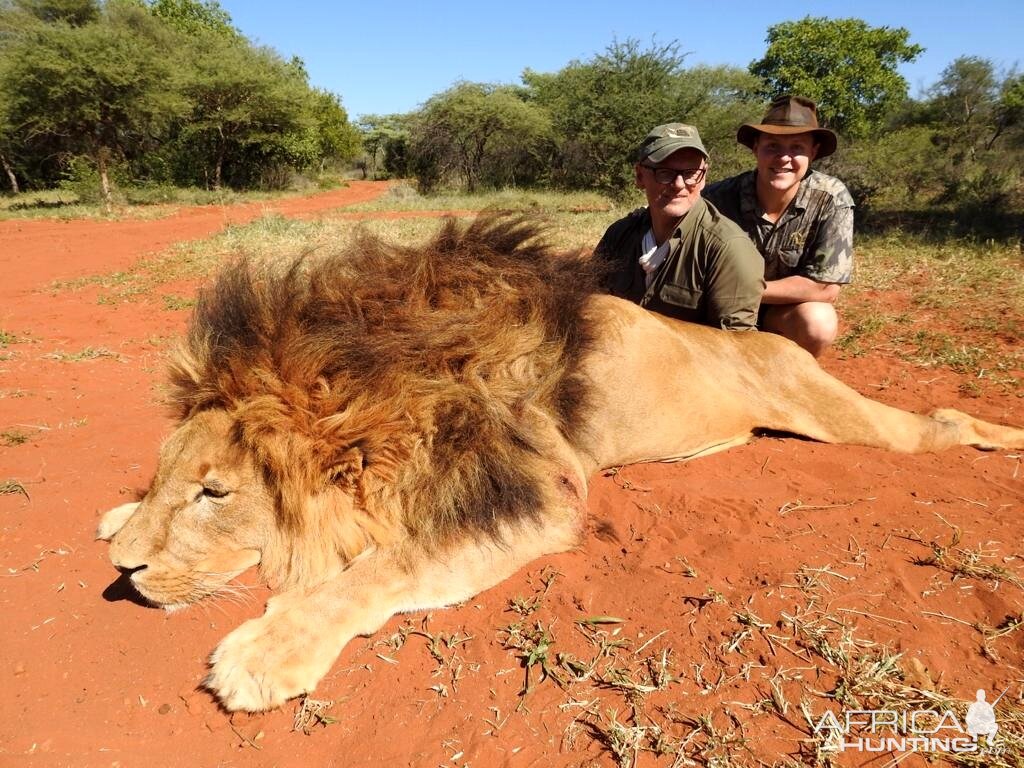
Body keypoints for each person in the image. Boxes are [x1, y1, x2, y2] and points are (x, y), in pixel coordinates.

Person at [704, 96, 854, 356]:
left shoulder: (832, 198)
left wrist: (743, 290)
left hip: (780, 312)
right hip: (718, 309)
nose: (784, 158)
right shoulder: (717, 197)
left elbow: (825, 288)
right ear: (755, 148)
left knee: (818, 321)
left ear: (813, 152)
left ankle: (792, 384)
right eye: (772, 146)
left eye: (797, 147)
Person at [594, 123, 765, 330]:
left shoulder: (728, 248)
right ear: (640, 176)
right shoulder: (619, 235)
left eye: (691, 172)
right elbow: (591, 310)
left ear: (704, 177)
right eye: (664, 172)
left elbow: (737, 347)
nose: (679, 184)